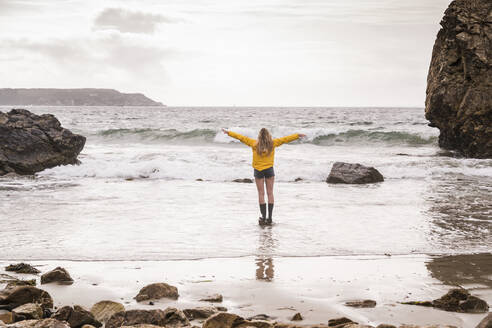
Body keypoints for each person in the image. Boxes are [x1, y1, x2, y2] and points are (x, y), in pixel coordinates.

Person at [222, 128, 306, 224]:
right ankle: (269, 218)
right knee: (270, 193)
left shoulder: (254, 143)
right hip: (269, 170)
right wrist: (297, 135)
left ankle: (263, 217)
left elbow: (241, 137)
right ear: (268, 136)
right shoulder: (273, 143)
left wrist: (229, 133)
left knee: (261, 194)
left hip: (258, 171)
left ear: (259, 136)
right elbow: (285, 139)